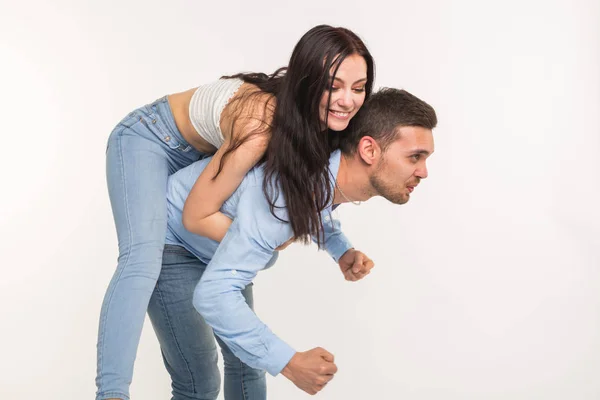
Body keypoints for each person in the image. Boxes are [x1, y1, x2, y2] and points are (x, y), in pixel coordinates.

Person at [96, 25, 375, 400]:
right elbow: (195, 216)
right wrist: (262, 244)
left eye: (358, 88)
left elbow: (309, 191)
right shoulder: (260, 128)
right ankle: (111, 394)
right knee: (141, 259)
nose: (347, 100)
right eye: (333, 85)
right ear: (307, 81)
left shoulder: (312, 126)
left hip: (202, 161)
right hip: (150, 139)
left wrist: (339, 247)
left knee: (245, 356)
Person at [147, 88, 438, 399]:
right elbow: (214, 296)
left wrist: (341, 250)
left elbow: (319, 206)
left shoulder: (327, 170)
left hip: (221, 245)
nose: (423, 172)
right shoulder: (283, 197)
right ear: (368, 150)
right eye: (415, 157)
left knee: (248, 363)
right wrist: (290, 362)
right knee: (199, 381)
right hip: (172, 243)